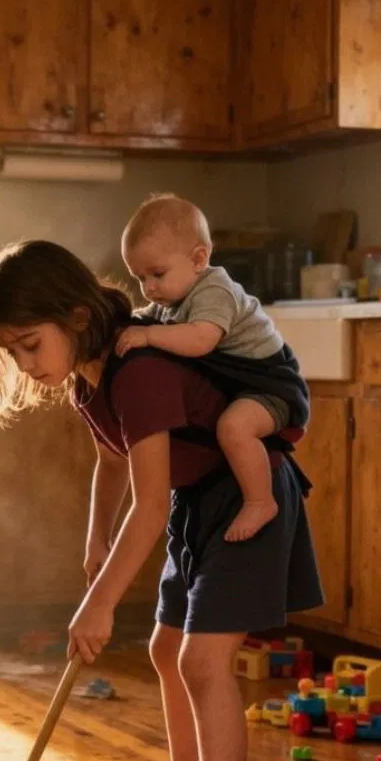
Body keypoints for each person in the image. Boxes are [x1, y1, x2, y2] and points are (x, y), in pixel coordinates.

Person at [0, 240, 322, 761]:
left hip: (246, 499)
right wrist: (96, 537)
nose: (25, 365)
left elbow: (151, 505)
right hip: (197, 501)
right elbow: (114, 460)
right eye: (12, 354)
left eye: (29, 345)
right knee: (166, 649)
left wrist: (101, 602)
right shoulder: (87, 378)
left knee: (202, 661)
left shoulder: (141, 372)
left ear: (76, 318)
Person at [115, 193, 308, 543]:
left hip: (271, 386)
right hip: (240, 384)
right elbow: (145, 319)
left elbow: (200, 339)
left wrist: (147, 335)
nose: (149, 288)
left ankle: (260, 501)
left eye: (157, 274)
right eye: (140, 278)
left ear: (199, 259)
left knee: (234, 427)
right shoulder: (171, 299)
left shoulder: (214, 290)